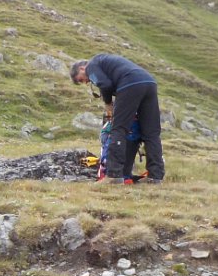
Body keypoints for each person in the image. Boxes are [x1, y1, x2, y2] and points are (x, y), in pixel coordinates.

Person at [70, 54, 164, 184]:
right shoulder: (105, 61)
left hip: (130, 83)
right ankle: (155, 177)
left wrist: (108, 103)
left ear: (81, 68)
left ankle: (114, 175)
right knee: (151, 133)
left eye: (81, 79)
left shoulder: (91, 66)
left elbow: (105, 85)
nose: (86, 82)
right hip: (149, 83)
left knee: (119, 129)